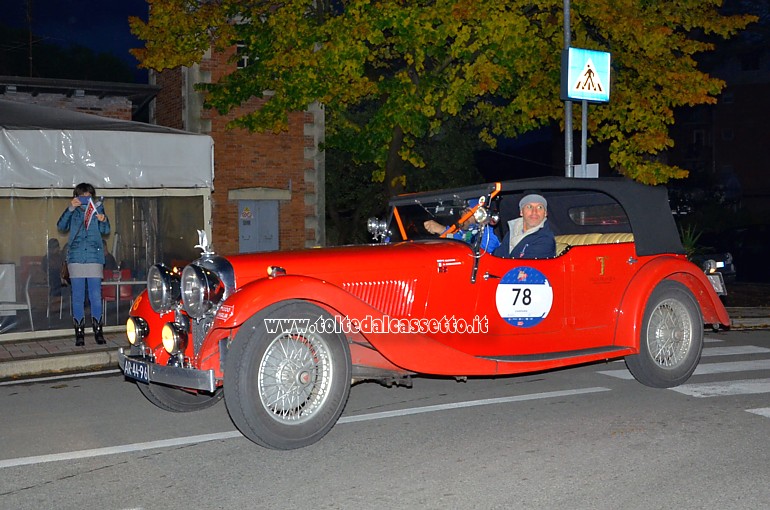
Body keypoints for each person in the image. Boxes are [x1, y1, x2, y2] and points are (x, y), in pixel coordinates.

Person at [57, 183, 111, 346]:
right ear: (76, 196)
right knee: (78, 297)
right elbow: (60, 226)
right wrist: (70, 209)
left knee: (95, 296)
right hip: (76, 257)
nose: (86, 198)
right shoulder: (73, 212)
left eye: (89, 195)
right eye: (83, 195)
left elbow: (106, 230)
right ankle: (79, 333)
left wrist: (103, 220)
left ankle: (98, 332)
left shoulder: (98, 208)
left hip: (94, 257)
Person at [424, 199, 500, 253]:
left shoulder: (489, 230)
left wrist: (443, 230)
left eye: (466, 211)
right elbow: (458, 239)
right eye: (462, 211)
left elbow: (477, 252)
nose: (462, 214)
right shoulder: (467, 230)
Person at [493, 193, 556, 259]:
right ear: (521, 212)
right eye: (529, 207)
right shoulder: (513, 231)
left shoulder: (545, 240)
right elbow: (498, 255)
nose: (534, 212)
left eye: (539, 207)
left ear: (545, 213)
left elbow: (525, 266)